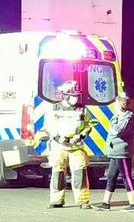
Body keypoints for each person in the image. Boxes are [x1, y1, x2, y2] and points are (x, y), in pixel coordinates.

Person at [38, 81, 94, 209]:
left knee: (80, 173)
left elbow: (88, 125)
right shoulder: (54, 109)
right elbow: (48, 127)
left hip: (76, 147)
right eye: (73, 95)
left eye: (77, 95)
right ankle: (56, 201)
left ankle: (83, 201)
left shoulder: (82, 109)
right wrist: (58, 138)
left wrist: (80, 136)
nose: (75, 98)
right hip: (59, 147)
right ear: (65, 95)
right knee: (58, 174)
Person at [98, 91, 134, 211]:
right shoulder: (118, 116)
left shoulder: (129, 117)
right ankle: (106, 203)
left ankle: (133, 204)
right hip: (115, 151)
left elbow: (118, 131)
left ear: (121, 104)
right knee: (111, 176)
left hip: (122, 151)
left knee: (126, 177)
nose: (114, 105)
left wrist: (114, 122)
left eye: (116, 103)